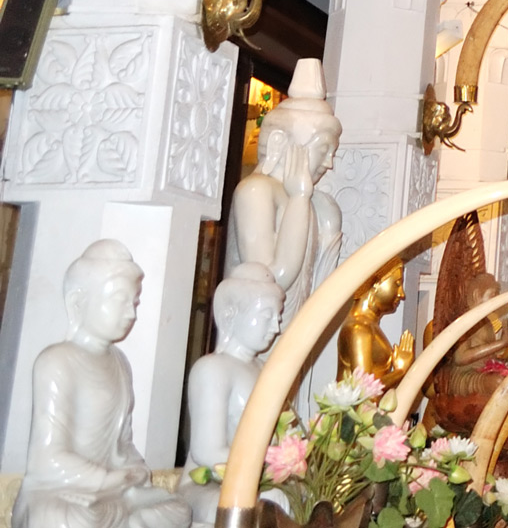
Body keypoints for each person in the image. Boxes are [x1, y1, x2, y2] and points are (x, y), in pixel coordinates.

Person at [16, 241, 191, 528]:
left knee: (177, 509)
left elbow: (123, 442)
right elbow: (45, 459)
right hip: (63, 493)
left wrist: (134, 471)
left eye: (133, 302)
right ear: (78, 302)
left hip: (114, 493)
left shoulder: (120, 363)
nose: (131, 313)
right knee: (58, 520)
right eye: (119, 301)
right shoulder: (56, 361)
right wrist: (105, 480)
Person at [224, 61, 342, 327]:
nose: (329, 163)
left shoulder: (309, 204)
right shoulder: (255, 191)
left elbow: (318, 299)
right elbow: (271, 278)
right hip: (252, 339)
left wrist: (326, 222)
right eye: (323, 149)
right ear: (279, 142)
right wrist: (300, 199)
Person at [181, 265, 284, 526]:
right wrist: (273, 459)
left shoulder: (265, 370)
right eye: (266, 315)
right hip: (207, 486)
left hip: (260, 479)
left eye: (278, 316)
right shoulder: (212, 369)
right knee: (259, 507)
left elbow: (285, 432)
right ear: (231, 315)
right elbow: (207, 450)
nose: (277, 326)